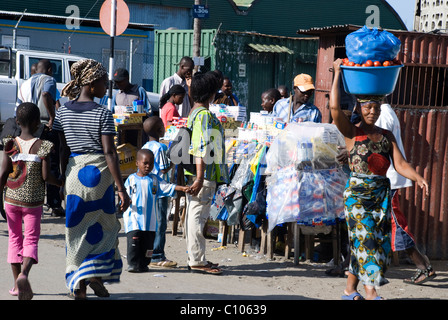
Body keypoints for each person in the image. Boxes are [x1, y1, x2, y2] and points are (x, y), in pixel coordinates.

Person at [330, 58, 429, 300]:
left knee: (369, 243)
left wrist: (419, 178)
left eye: (376, 108)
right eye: (367, 108)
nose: (372, 112)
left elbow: (401, 164)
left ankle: (348, 291)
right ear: (359, 108)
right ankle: (371, 292)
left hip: (380, 197)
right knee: (367, 241)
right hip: (357, 196)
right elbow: (334, 110)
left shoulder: (386, 136)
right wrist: (336, 74)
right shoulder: (353, 132)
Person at [55, 59, 130, 300]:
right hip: (101, 178)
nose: (107, 87)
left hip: (75, 176)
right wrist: (121, 188)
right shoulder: (103, 113)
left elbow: (62, 149)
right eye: (104, 82)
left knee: (75, 232)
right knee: (105, 229)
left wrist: (62, 181)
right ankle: (95, 274)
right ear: (92, 82)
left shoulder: (63, 111)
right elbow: (109, 153)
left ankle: (79, 285)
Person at [0, 103, 63, 300]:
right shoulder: (42, 146)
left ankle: (17, 285)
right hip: (33, 203)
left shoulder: (10, 143)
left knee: (14, 239)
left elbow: (3, 173)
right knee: (31, 239)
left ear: (17, 122)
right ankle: (24, 275)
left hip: (11, 200)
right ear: (38, 123)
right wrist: (59, 182)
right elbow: (46, 176)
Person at [375, 99, 436, 285]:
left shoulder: (382, 115)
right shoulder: (384, 112)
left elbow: (381, 149)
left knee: (396, 224)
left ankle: (423, 266)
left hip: (388, 178)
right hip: (384, 177)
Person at [184, 71, 229, 275]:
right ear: (211, 94)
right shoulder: (202, 116)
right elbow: (200, 147)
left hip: (197, 173)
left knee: (194, 215)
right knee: (197, 216)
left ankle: (196, 257)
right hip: (203, 173)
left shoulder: (195, 112)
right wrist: (201, 178)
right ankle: (197, 260)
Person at [123, 149, 189, 272]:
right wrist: (125, 202)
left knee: (148, 246)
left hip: (150, 222)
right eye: (145, 163)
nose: (148, 166)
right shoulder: (131, 179)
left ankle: (144, 264)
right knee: (134, 245)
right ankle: (133, 264)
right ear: (137, 163)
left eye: (151, 164)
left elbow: (167, 187)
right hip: (134, 220)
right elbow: (125, 195)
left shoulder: (154, 180)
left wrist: (183, 188)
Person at [17, 59, 64, 217]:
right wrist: (52, 117)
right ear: (50, 69)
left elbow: (19, 107)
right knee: (50, 163)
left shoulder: (24, 83)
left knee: (28, 164)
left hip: (25, 129)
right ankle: (54, 204)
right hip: (43, 127)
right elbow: (46, 94)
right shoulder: (49, 80)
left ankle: (26, 199)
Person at [141, 117, 178, 268]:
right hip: (160, 190)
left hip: (148, 189)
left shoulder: (145, 146)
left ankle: (148, 252)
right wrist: (174, 161)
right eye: (163, 126)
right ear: (160, 130)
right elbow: (163, 168)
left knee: (150, 221)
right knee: (160, 223)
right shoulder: (161, 147)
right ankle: (157, 255)